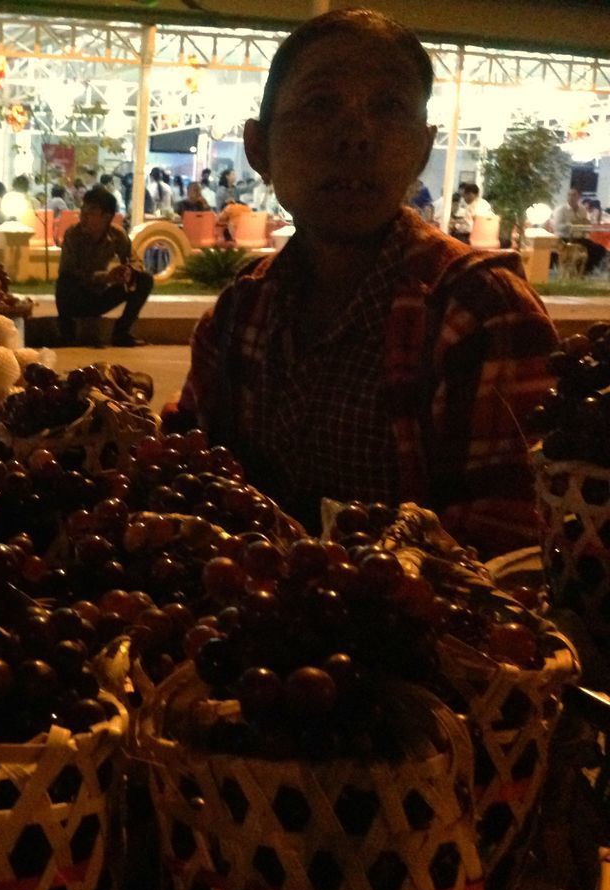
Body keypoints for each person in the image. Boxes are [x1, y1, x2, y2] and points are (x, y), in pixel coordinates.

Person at [170, 8, 557, 557]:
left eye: (389, 107)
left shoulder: (479, 312)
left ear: (422, 148)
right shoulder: (239, 314)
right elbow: (190, 482)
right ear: (259, 149)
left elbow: (507, 550)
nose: (356, 135)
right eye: (320, 103)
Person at [55, 185, 153, 348]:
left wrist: (128, 271)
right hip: (78, 297)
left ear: (107, 217)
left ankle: (122, 333)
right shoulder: (73, 235)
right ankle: (66, 333)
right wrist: (105, 276)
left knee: (144, 280)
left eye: (90, 213)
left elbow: (135, 261)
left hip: (101, 295)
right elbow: (69, 271)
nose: (83, 218)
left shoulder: (117, 235)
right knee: (64, 281)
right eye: (82, 212)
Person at [553, 186, 605, 273]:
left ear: (579, 197)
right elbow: (557, 227)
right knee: (584, 248)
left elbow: (585, 224)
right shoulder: (561, 210)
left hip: (579, 238)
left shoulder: (582, 209)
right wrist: (571, 225)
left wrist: (586, 227)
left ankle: (585, 271)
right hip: (564, 238)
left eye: (574, 195)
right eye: (569, 195)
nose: (571, 197)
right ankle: (574, 270)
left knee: (599, 249)